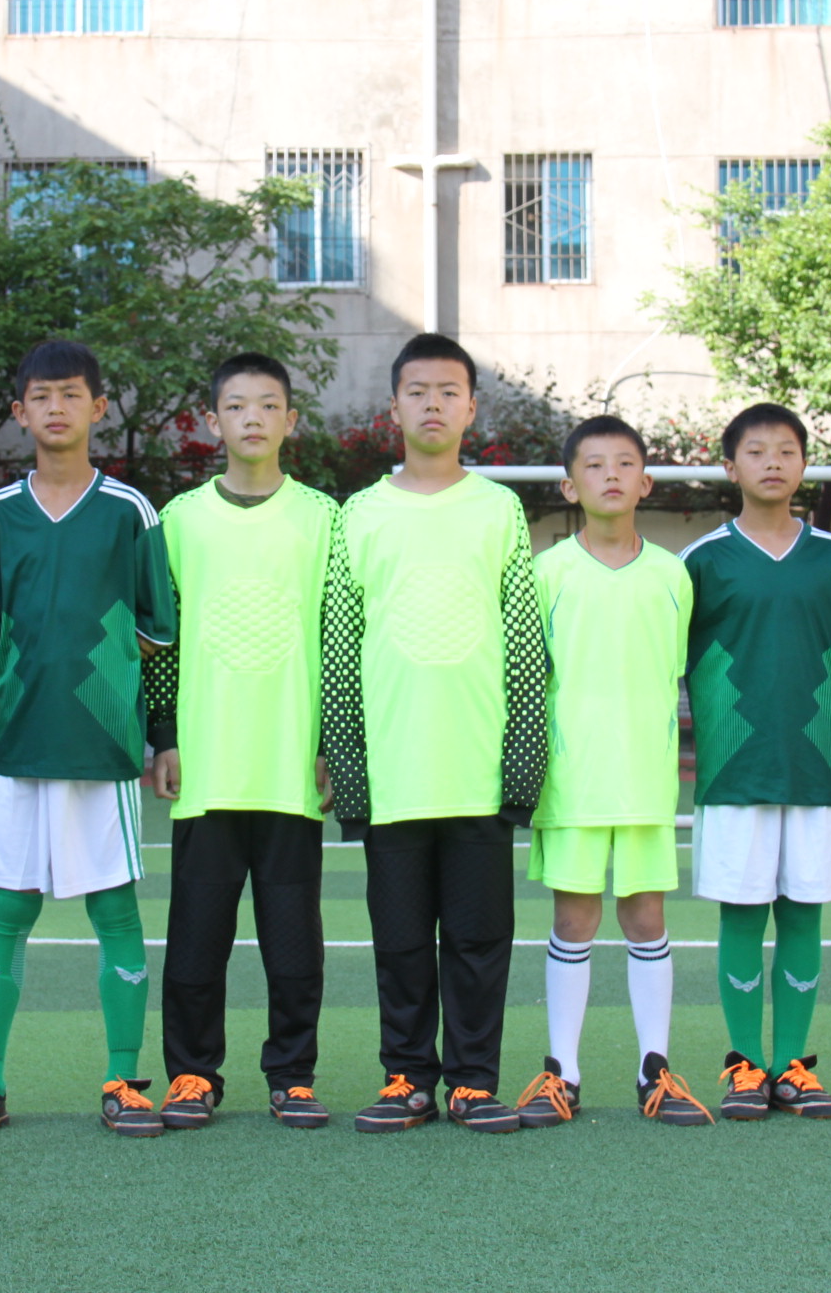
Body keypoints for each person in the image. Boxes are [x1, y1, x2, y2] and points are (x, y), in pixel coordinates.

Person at [0, 339, 179, 1139]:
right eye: (41, 397)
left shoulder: (128, 511)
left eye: (71, 394)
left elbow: (159, 627)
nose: (56, 408)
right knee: (7, 909)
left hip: (102, 742)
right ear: (19, 412)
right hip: (21, 742)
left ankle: (124, 1080)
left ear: (98, 407)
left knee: (114, 910)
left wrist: (129, 703)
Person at [323, 333, 548, 1135]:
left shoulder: (498, 509)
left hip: (477, 768)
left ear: (471, 409)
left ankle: (474, 1081)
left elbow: (524, 639)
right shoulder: (359, 514)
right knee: (401, 942)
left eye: (449, 392)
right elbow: (339, 645)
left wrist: (523, 760)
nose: (433, 404)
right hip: (394, 771)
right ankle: (407, 1077)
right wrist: (349, 766)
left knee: (481, 939)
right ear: (393, 407)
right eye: (417, 391)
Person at [142, 353, 338, 1130]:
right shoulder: (180, 519)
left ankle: (292, 1075)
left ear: (291, 420)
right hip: (208, 764)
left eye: (267, 404)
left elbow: (340, 636)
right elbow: (162, 640)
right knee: (196, 938)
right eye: (235, 405)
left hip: (290, 764)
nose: (251, 417)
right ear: (212, 420)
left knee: (294, 943)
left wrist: (333, 741)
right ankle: (193, 1075)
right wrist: (164, 735)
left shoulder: (324, 517)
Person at [678, 403, 831, 1121]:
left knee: (802, 915)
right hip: (734, 771)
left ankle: (791, 1063)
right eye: (756, 451)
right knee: (741, 914)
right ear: (730, 467)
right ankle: (742, 1064)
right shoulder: (701, 561)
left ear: (804, 465)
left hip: (816, 769)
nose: (772, 462)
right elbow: (670, 660)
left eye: (786, 451)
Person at [512, 417, 711, 1131]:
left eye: (624, 464)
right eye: (594, 466)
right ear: (570, 486)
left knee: (647, 918)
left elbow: (675, 666)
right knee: (573, 919)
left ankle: (654, 1068)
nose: (611, 476)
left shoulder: (672, 574)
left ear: (646, 482)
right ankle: (562, 1072)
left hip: (645, 780)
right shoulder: (546, 572)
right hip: (571, 780)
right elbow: (529, 676)